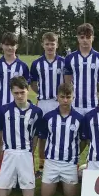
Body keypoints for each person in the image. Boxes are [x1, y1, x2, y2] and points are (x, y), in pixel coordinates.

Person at [0, 77, 43, 196]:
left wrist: (31, 150)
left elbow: (36, 134)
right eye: (16, 93)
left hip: (26, 153)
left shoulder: (36, 112)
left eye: (22, 92)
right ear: (11, 92)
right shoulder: (3, 110)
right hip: (9, 152)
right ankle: (12, 182)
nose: (20, 95)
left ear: (27, 90)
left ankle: (19, 182)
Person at [38, 83, 85, 196]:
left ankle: (75, 176)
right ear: (57, 97)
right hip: (52, 162)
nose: (65, 100)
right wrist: (43, 158)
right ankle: (57, 181)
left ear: (73, 98)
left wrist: (75, 153)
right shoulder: (48, 117)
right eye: (62, 97)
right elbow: (42, 139)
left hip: (69, 163)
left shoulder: (79, 118)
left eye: (68, 97)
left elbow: (83, 141)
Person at [30, 32, 65, 177]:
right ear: (42, 44)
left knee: (59, 133)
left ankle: (58, 163)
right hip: (43, 102)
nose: (50, 46)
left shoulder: (64, 62)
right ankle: (42, 165)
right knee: (41, 134)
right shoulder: (37, 63)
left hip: (59, 103)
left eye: (53, 43)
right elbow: (32, 83)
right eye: (47, 44)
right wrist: (43, 93)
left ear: (57, 44)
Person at [63, 23, 99, 116]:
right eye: (82, 37)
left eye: (88, 37)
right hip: (75, 105)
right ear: (78, 38)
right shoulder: (69, 58)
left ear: (93, 38)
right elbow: (67, 84)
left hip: (94, 104)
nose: (85, 40)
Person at [0, 32, 30, 108]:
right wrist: (1, 95)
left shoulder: (23, 66)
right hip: (0, 104)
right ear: (1, 45)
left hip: (18, 106)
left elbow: (26, 87)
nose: (10, 48)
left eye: (12, 45)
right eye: (7, 45)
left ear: (17, 46)